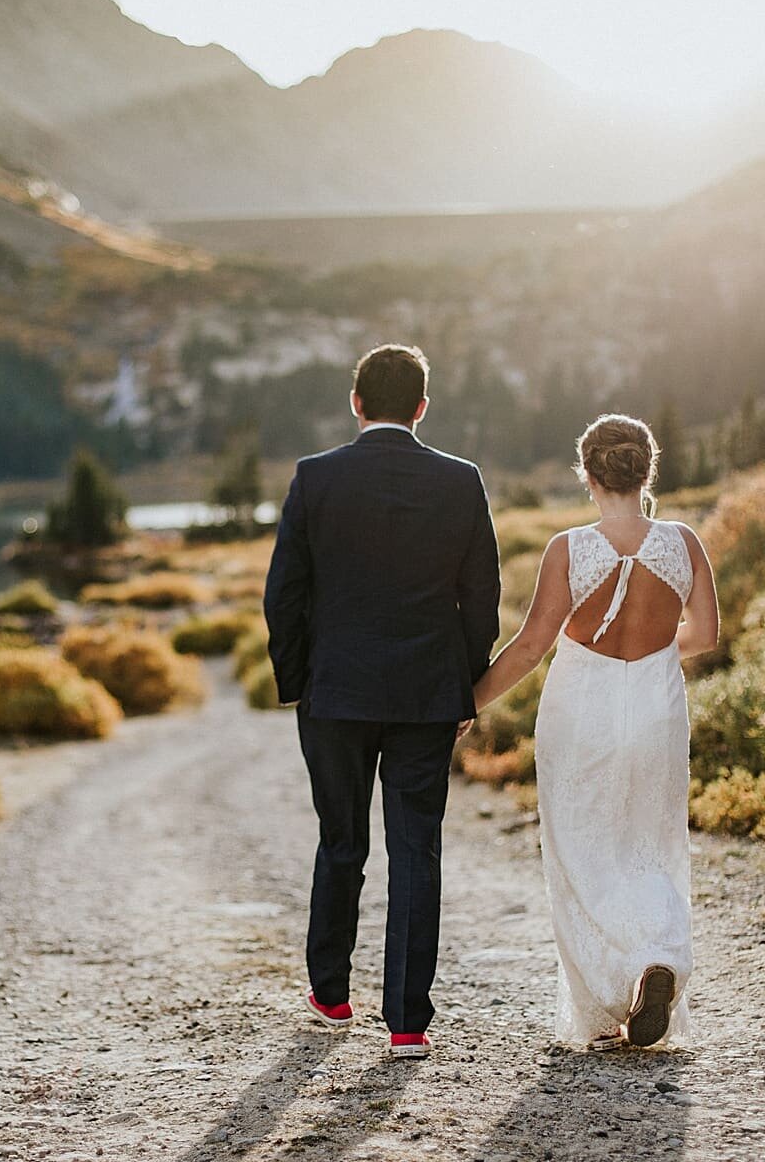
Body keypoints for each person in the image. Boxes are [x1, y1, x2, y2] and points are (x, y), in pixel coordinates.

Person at [262, 343, 501, 1060]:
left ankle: (331, 994)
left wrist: (295, 682)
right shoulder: (462, 481)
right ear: (422, 407)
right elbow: (482, 596)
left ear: (356, 403)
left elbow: (284, 594)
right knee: (415, 849)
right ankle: (406, 1025)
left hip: (333, 693)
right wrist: (466, 682)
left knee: (341, 842)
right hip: (428, 694)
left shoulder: (315, 479)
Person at [471, 413, 719, 1049]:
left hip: (581, 705)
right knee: (649, 839)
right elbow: (708, 636)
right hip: (657, 706)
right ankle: (658, 957)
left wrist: (468, 702)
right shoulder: (683, 542)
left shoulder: (569, 549)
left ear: (587, 473)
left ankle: (617, 992)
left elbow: (530, 647)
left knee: (582, 847)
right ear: (646, 469)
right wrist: (658, 653)